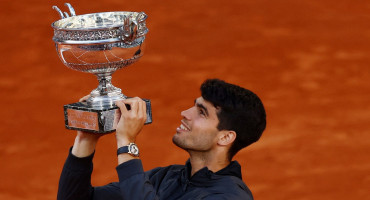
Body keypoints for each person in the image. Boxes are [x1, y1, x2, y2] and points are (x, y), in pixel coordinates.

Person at [57, 79, 266, 200]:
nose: (185, 113)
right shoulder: (166, 178)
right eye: (194, 105)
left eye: (202, 112)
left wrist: (127, 142)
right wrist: (86, 139)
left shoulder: (229, 197)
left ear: (225, 137)